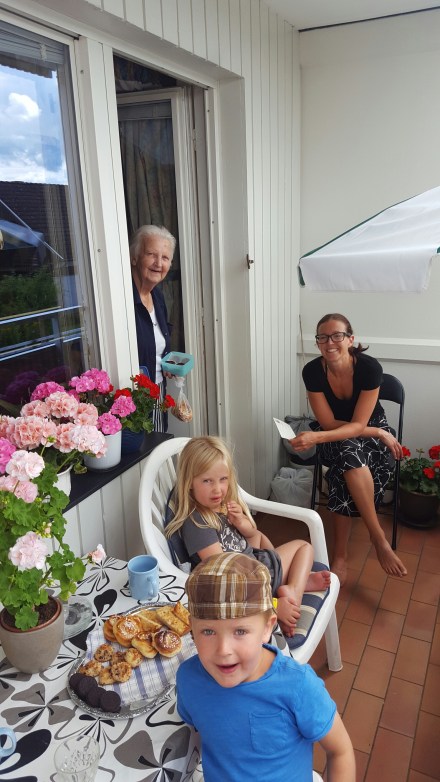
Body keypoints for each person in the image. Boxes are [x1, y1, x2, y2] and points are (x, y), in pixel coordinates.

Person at [176, 551, 355, 782]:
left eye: (240, 631)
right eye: (208, 631)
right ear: (191, 629)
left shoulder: (298, 686)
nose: (223, 650)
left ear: (267, 628)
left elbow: (340, 751)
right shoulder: (188, 679)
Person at [165, 436, 331, 643]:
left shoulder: (224, 505)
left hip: (257, 567)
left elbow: (252, 539)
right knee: (298, 550)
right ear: (189, 482)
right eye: (207, 481)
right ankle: (288, 598)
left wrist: (243, 524)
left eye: (223, 479)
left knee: (303, 547)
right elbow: (225, 578)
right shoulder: (197, 522)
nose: (218, 489)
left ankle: (293, 589)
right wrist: (274, 606)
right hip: (242, 590)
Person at [290, 313, 407, 585]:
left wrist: (376, 431)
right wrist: (378, 433)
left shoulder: (369, 368)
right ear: (317, 342)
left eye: (337, 336)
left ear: (351, 339)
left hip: (368, 428)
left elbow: (358, 425)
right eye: (323, 337)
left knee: (346, 462)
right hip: (341, 433)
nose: (330, 342)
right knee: (347, 452)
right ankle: (378, 538)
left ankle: (342, 555)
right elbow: (329, 423)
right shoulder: (312, 371)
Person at [130, 224, 175, 431]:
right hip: (131, 399)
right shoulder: (124, 300)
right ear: (135, 258)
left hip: (157, 389)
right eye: (151, 254)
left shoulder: (157, 296)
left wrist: (168, 363)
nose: (158, 263)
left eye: (165, 258)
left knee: (158, 438)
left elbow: (157, 341)